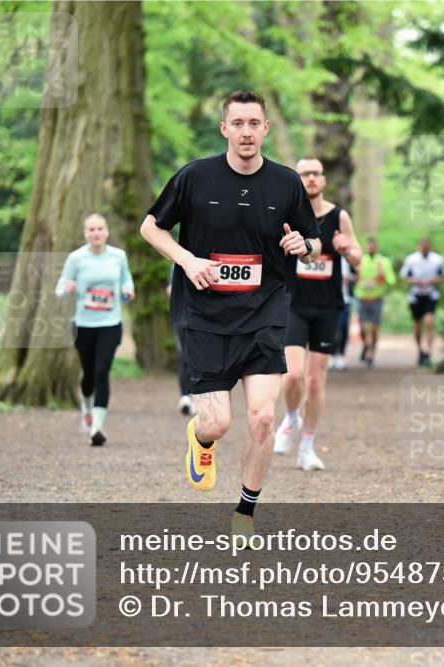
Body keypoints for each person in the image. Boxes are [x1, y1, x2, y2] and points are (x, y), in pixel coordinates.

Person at [139, 89, 321, 539]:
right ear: (224, 128)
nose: (245, 132)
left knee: (262, 418)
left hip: (264, 312)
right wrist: (187, 260)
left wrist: (304, 245)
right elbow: (150, 227)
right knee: (218, 422)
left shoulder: (286, 183)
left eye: (253, 123)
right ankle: (200, 441)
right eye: (237, 123)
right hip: (203, 315)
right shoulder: (196, 177)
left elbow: (311, 239)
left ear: (265, 129)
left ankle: (245, 512)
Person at [274, 158, 362, 471]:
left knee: (315, 380)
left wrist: (345, 250)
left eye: (316, 173)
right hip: (294, 303)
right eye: (304, 174)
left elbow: (358, 259)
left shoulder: (340, 216)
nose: (310, 178)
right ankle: (290, 416)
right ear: (296, 179)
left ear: (323, 179)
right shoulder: (287, 214)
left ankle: (307, 446)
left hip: (328, 306)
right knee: (294, 374)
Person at [55, 213, 135, 447]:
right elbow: (60, 287)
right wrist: (67, 288)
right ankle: (86, 408)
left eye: (100, 229)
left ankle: (97, 427)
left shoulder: (118, 256)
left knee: (102, 373)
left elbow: (126, 280)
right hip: (83, 325)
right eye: (91, 230)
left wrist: (128, 291)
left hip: (110, 324)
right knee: (88, 375)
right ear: (85, 233)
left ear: (107, 232)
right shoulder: (76, 258)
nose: (96, 233)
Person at [401, 238, 444, 367]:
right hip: (415, 296)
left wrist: (433, 281)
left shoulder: (438, 260)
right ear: (418, 247)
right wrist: (414, 281)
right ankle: (420, 350)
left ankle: (429, 351)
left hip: (431, 295)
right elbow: (404, 276)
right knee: (417, 325)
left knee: (429, 321)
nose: (424, 249)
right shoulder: (411, 260)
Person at [353, 237, 395, 368]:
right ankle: (366, 344)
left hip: (377, 299)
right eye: (369, 246)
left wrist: (383, 274)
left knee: (375, 329)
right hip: (362, 298)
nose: (371, 248)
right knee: (362, 329)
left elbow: (391, 280)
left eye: (373, 245)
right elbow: (355, 280)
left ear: (376, 247)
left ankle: (371, 355)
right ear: (366, 247)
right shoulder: (360, 261)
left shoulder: (383, 262)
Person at [166, 265, 195, 416]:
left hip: (205, 319)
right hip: (183, 317)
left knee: (201, 356)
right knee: (184, 355)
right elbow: (170, 289)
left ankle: (197, 397)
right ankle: (185, 396)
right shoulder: (177, 263)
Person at [329, 256, 357, 370]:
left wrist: (349, 278)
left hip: (345, 299)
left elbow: (356, 275)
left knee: (344, 326)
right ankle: (331, 355)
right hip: (330, 300)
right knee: (331, 329)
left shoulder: (348, 259)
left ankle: (341, 354)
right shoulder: (328, 257)